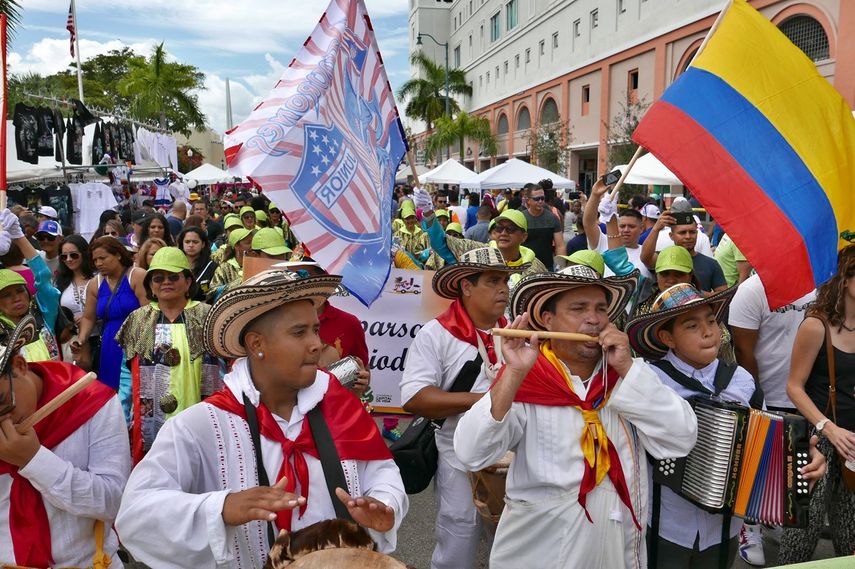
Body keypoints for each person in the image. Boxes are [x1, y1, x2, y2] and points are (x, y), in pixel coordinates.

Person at [116, 269, 408, 568]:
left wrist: (385, 504)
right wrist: (221, 507)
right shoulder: (202, 425)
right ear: (257, 345)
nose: (316, 345)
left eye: (315, 330)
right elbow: (135, 515)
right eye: (299, 332)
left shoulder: (342, 408)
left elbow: (381, 472)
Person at [454, 265, 698, 569]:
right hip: (539, 553)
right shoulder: (527, 379)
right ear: (547, 320)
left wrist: (628, 369)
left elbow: (681, 437)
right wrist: (512, 374)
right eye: (578, 308)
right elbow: (471, 453)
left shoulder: (627, 377)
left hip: (616, 550)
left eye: (600, 309)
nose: (594, 319)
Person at [401, 247, 526, 569]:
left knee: (514, 542)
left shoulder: (515, 330)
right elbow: (415, 398)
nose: (504, 288)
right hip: (457, 457)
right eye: (493, 281)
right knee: (458, 539)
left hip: (513, 456)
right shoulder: (436, 334)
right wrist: (489, 401)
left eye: (506, 280)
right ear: (466, 287)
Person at [0, 316, 131, 568]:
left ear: (19, 365)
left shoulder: (90, 401)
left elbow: (114, 502)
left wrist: (33, 460)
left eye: (2, 401)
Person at [727, 274, 816, 565]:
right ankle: (749, 527)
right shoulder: (750, 291)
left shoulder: (813, 287)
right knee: (757, 466)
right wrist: (756, 394)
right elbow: (743, 349)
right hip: (766, 392)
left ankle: (774, 518)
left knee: (793, 465)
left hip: (805, 393)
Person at [779, 249, 855, 564]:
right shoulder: (816, 325)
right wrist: (827, 426)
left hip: (852, 442)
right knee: (800, 536)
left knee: (850, 537)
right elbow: (793, 386)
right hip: (814, 438)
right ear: (846, 280)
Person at [116, 247, 222, 463]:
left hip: (201, 414)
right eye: (158, 278)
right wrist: (121, 414)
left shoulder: (207, 315)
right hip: (150, 422)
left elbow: (221, 371)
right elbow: (127, 375)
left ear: (188, 282)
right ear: (150, 286)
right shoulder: (138, 319)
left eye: (174, 277)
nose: (166, 282)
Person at [73, 236, 147, 397]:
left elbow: (150, 312)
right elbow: (88, 318)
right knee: (112, 393)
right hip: (109, 344)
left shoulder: (137, 275)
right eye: (95, 260)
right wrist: (81, 339)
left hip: (137, 342)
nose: (99, 263)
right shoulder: (94, 284)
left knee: (137, 391)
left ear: (118, 255)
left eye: (103, 258)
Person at [0, 212, 63, 362]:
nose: (16, 298)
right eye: (6, 295)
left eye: (20, 291)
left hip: (55, 384)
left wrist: (19, 237)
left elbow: (43, 275)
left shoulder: (43, 315)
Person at [641, 209, 726, 295]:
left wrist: (695, 294)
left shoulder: (711, 263)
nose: (688, 236)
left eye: (692, 232)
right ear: (671, 236)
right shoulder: (663, 258)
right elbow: (645, 258)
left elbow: (723, 295)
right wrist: (656, 229)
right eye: (682, 233)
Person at [584, 180, 652, 280]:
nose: (626, 230)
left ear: (641, 228)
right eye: (622, 226)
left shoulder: (646, 254)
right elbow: (588, 223)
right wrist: (595, 195)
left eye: (631, 226)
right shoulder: (603, 242)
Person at [56, 235, 95, 362]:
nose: (68, 259)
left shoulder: (98, 278)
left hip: (99, 337)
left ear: (84, 254)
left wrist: (88, 317)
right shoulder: (59, 283)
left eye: (73, 255)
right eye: (64, 256)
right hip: (73, 343)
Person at [521, 184, 565, 270]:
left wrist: (561, 266)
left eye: (542, 198)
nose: (540, 201)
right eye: (537, 199)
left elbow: (560, 245)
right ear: (528, 200)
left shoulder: (552, 218)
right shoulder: (521, 217)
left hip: (547, 267)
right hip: (525, 266)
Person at [209, 227, 253, 300]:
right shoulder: (224, 268)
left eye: (253, 242)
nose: (252, 246)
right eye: (248, 243)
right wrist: (239, 283)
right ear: (236, 246)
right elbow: (213, 293)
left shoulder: (256, 263)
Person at [178, 226, 218, 302]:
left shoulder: (212, 266)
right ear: (182, 244)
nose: (191, 245)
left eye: (195, 242)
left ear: (203, 244)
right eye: (187, 242)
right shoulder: (175, 264)